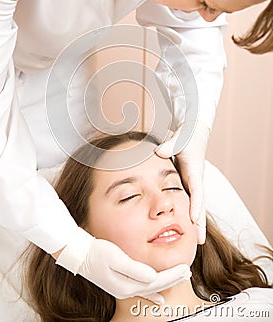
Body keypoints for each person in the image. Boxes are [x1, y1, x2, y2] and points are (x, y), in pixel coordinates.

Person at [0, 0, 272, 301]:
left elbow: (192, 37)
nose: (167, 204)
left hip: (49, 71)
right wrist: (72, 249)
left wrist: (196, 128)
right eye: (207, 3)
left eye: (171, 184)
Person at [25, 131, 273, 322]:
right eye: (130, 196)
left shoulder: (262, 305)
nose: (164, 204)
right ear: (79, 232)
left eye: (172, 187)